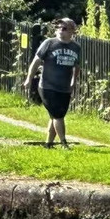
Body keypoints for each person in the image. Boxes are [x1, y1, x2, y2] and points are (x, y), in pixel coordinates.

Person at [23, 17, 81, 148]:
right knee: (58, 115)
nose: (60, 30)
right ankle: (64, 143)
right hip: (47, 86)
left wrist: (73, 83)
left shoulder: (76, 47)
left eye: (65, 28)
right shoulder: (49, 43)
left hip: (65, 88)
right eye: (59, 27)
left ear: (72, 31)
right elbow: (36, 62)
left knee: (54, 116)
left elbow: (76, 67)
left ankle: (48, 143)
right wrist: (29, 79)